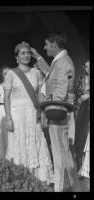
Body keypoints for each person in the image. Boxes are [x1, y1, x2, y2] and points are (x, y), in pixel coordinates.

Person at [30, 32, 81, 192]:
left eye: (46, 44)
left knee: (59, 156)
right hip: (59, 112)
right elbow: (51, 74)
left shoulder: (63, 62)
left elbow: (60, 92)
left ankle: (59, 189)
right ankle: (76, 188)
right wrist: (38, 57)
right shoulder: (59, 61)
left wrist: (46, 101)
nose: (44, 47)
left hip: (58, 113)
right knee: (65, 153)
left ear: (54, 45)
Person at [4, 41, 53, 185]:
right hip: (17, 114)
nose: (26, 56)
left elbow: (51, 74)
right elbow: (6, 97)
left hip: (33, 113)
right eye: (22, 53)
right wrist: (8, 119)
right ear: (16, 57)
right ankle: (19, 177)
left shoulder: (36, 73)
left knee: (36, 141)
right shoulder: (11, 74)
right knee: (19, 142)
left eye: (27, 53)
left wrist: (38, 56)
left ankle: (39, 177)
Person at [74, 59, 90, 173]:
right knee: (81, 137)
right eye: (87, 66)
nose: (88, 68)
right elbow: (76, 95)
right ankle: (81, 165)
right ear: (84, 68)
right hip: (83, 112)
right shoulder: (81, 80)